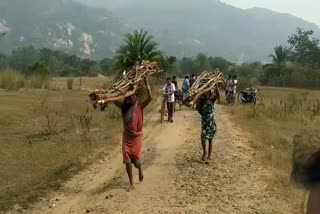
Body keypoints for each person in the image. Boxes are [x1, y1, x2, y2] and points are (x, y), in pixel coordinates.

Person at [112, 78, 152, 191]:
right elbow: (114, 101)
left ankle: (140, 169)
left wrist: (146, 82)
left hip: (136, 137)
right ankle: (131, 184)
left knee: (136, 162)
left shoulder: (140, 106)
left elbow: (150, 98)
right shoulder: (124, 107)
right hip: (127, 136)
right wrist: (114, 91)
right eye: (128, 96)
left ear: (135, 95)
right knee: (127, 161)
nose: (131, 97)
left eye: (133, 95)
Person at [196, 89, 220, 162]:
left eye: (207, 93)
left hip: (211, 122)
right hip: (204, 122)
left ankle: (209, 154)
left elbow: (217, 96)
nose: (206, 94)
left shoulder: (211, 101)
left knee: (210, 139)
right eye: (205, 93)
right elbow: (198, 108)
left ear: (209, 94)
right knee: (203, 138)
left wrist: (216, 88)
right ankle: (204, 152)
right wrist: (197, 100)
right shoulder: (201, 102)